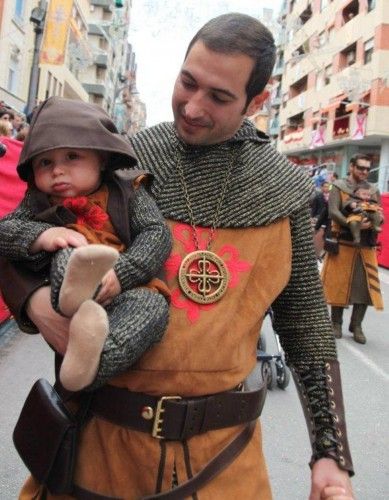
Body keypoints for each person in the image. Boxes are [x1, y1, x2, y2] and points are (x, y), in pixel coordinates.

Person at [0, 13, 354, 500]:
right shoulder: (124, 159)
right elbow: (23, 233)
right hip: (98, 446)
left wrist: (331, 456)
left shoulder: (282, 190)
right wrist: (37, 305)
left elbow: (307, 327)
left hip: (224, 462)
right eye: (188, 82)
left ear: (257, 101)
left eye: (219, 97)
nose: (192, 106)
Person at [0, 97, 172, 391]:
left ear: (101, 157)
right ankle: (75, 294)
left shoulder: (128, 191)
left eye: (72, 157)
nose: (57, 170)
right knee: (69, 248)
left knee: (152, 307)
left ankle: (90, 364)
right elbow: (5, 231)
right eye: (45, 162)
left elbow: (157, 233)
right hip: (65, 290)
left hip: (127, 286)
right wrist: (43, 237)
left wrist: (122, 273)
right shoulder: (37, 201)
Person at [321, 154, 384, 344]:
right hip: (344, 243)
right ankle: (336, 323)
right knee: (338, 285)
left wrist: (376, 221)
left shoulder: (373, 190)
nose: (364, 172)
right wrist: (351, 225)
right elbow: (333, 212)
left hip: (367, 245)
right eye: (360, 168)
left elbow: (379, 213)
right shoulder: (339, 186)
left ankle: (356, 325)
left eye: (367, 169)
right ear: (351, 167)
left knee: (365, 288)